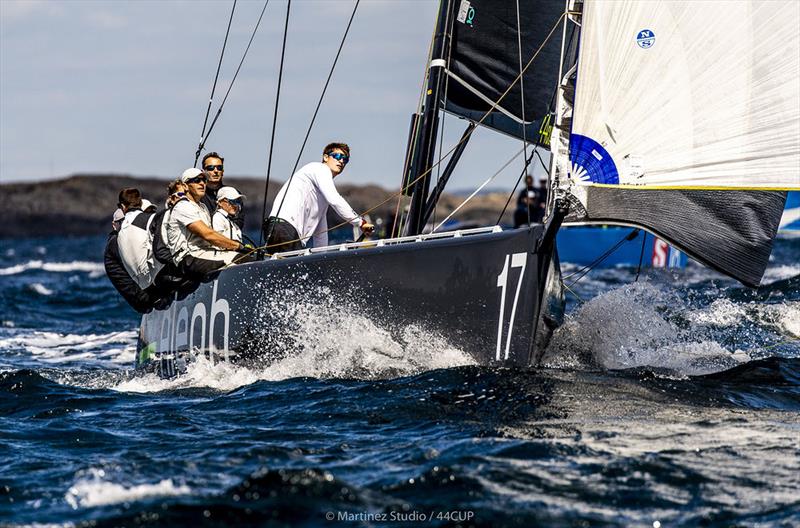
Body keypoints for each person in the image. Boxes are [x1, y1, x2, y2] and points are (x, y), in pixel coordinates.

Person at [263, 142, 373, 251]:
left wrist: (322, 257)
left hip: (278, 230)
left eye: (345, 159)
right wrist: (360, 222)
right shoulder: (320, 169)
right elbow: (335, 199)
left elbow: (320, 234)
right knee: (295, 267)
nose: (341, 160)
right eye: (337, 156)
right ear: (325, 157)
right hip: (285, 228)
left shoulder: (322, 196)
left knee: (290, 268)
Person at [166, 168, 253, 279]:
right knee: (237, 261)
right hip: (188, 258)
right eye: (197, 180)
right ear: (185, 186)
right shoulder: (182, 206)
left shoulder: (203, 207)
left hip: (204, 253)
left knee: (245, 259)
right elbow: (208, 235)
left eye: (204, 180)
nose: (202, 183)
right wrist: (238, 246)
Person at [103, 208, 160, 314]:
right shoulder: (116, 242)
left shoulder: (122, 239)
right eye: (123, 221)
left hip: (143, 294)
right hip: (144, 299)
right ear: (114, 225)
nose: (127, 223)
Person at [117, 188, 163, 290]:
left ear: (123, 206)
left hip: (142, 287)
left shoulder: (119, 231)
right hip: (158, 281)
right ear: (140, 202)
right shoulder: (149, 219)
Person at [199, 151, 245, 229]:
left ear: (223, 172)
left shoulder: (233, 193)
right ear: (203, 172)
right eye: (210, 168)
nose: (216, 171)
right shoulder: (198, 195)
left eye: (219, 168)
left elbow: (239, 221)